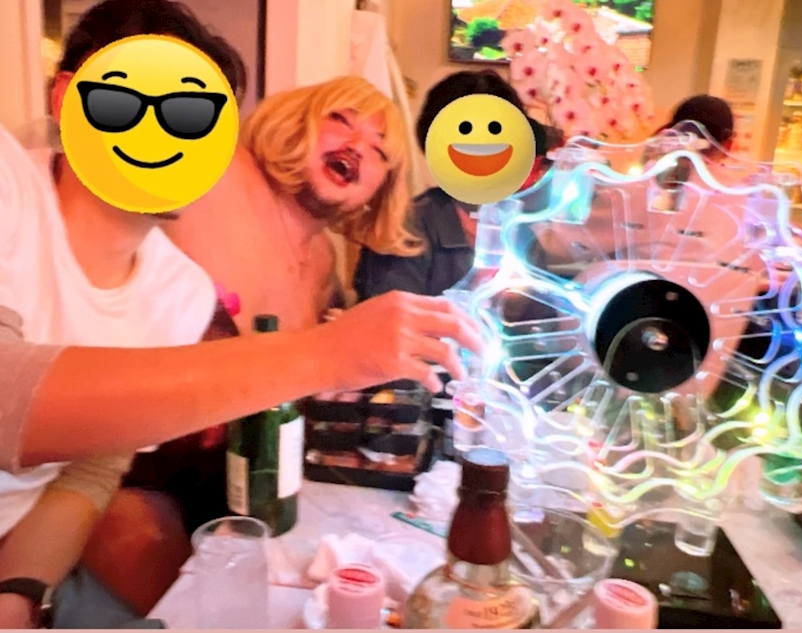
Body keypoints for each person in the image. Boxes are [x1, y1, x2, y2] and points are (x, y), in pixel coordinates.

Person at [0, 1, 480, 628]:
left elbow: (88, 468)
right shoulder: (14, 186)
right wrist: (320, 355)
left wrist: (19, 595)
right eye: (339, 120)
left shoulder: (179, 290)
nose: (166, 136)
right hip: (163, 488)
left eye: (193, 118)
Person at [165, 75, 423, 332]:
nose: (357, 147)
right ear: (295, 120)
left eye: (378, 150)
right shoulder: (215, 169)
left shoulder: (323, 263)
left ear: (382, 190)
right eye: (341, 120)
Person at [352, 70, 549, 302]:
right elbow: (387, 316)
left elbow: (542, 315)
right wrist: (472, 294)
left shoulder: (520, 230)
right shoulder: (407, 226)